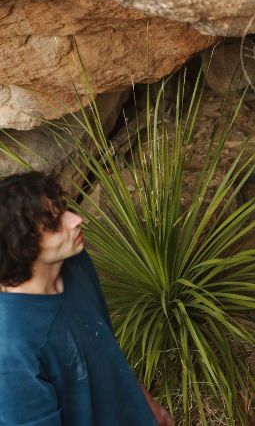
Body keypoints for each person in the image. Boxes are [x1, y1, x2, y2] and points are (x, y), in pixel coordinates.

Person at [0, 171, 172, 426]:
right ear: (21, 245)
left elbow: (104, 347)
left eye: (63, 208)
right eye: (55, 223)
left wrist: (145, 403)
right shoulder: (13, 347)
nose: (76, 220)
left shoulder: (74, 264)